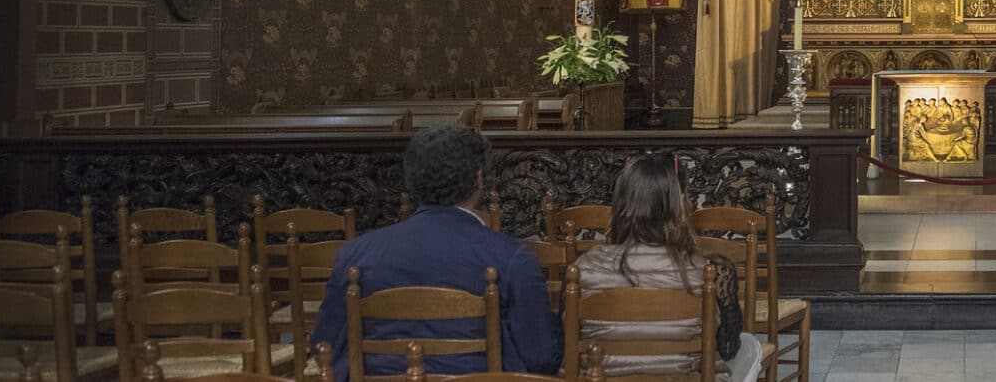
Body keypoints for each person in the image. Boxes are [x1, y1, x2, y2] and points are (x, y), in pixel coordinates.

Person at [311, 127, 559, 380]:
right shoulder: (512, 258)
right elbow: (540, 356)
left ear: (412, 180)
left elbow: (324, 347)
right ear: (479, 179)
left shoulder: (355, 255)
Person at [575, 155, 761, 382]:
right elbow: (729, 347)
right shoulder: (710, 272)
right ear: (680, 205)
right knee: (751, 347)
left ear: (621, 204)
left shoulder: (582, 269)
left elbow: (566, 345)